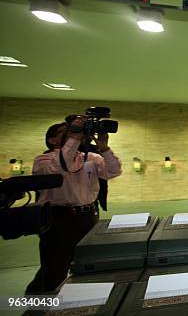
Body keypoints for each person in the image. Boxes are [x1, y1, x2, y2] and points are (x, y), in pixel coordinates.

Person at [26, 117, 122, 294]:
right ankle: (41, 305)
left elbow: (114, 171)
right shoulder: (43, 160)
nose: (75, 136)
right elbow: (60, 167)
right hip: (59, 219)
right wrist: (75, 137)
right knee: (55, 268)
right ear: (52, 140)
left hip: (88, 216)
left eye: (77, 132)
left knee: (88, 264)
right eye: (66, 133)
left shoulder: (91, 158)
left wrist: (104, 148)